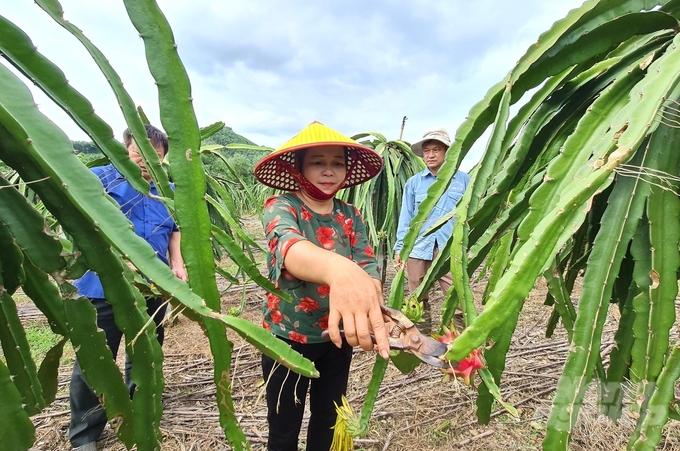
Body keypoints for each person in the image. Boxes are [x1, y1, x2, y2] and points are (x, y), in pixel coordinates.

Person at [253, 121, 390, 451]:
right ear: (298, 168)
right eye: (317, 162)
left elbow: (368, 265)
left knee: (328, 418)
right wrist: (341, 271)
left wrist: (372, 301)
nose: (329, 171)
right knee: (284, 425)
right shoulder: (282, 207)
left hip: (337, 336)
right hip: (288, 339)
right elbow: (289, 248)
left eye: (337, 163)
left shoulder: (350, 214)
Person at [69, 124, 187, 451]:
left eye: (156, 156)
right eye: (140, 153)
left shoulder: (167, 188)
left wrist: (177, 263)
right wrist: (122, 259)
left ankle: (137, 412)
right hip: (103, 286)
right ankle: (84, 435)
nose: (146, 162)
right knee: (96, 359)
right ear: (124, 148)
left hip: (153, 286)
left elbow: (174, 228)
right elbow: (87, 223)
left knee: (145, 354)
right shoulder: (102, 180)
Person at [393, 129, 470, 333]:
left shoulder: (464, 181)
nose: (431, 155)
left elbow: (473, 214)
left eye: (436, 149)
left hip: (449, 249)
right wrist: (400, 248)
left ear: (447, 152)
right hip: (418, 248)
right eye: (427, 151)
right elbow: (406, 217)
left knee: (456, 296)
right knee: (417, 299)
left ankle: (459, 342)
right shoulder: (414, 183)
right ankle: (422, 339)